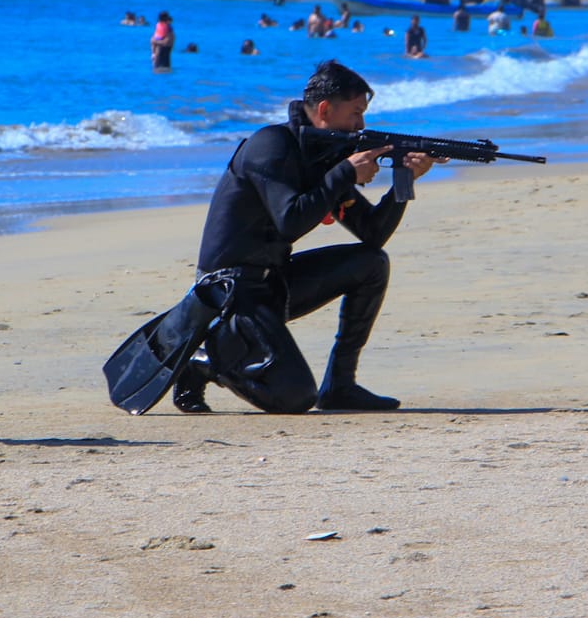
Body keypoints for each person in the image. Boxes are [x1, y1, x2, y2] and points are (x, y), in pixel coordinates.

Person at [170, 60, 437, 415]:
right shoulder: (271, 145)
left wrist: (403, 182)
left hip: (273, 284)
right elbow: (290, 221)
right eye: (356, 113)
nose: (361, 125)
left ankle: (340, 386)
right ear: (325, 110)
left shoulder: (322, 157)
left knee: (371, 264)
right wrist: (343, 172)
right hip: (230, 293)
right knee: (295, 398)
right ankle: (206, 358)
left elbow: (372, 235)